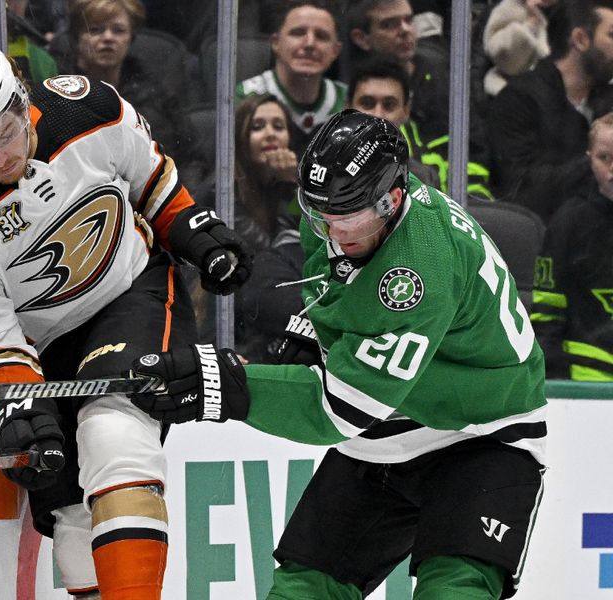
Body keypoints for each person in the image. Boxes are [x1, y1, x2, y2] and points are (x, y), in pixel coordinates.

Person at [130, 110, 547, 599]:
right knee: (303, 590)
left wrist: (226, 387)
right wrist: (316, 331)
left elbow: (341, 409)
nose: (332, 232)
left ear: (393, 199)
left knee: (455, 591)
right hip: (391, 426)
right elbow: (333, 288)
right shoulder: (333, 211)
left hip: (482, 434)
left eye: (346, 218)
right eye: (320, 215)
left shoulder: (417, 273)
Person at [0, 35, 250, 599]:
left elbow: (153, 182)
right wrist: (19, 402)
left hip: (130, 293)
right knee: (66, 502)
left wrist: (196, 234)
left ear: (22, 100)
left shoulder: (87, 108)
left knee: (113, 432)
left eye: (4, 133)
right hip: (42, 347)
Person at [66, 0, 210, 204]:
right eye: (95, 30)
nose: (108, 38)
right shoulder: (60, 96)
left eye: (118, 30)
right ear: (76, 38)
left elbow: (193, 157)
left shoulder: (156, 94)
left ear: (131, 38)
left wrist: (176, 204)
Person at [347, 0, 493, 199]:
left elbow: (474, 156)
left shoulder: (447, 78)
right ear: (361, 38)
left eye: (408, 20)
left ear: (406, 108)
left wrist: (467, 210)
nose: (405, 30)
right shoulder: (352, 85)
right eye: (389, 24)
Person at [488, 0, 613, 223]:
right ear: (580, 40)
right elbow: (519, 190)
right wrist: (595, 159)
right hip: (545, 237)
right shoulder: (518, 100)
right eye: (611, 35)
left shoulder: (607, 98)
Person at [531, 111, 613, 381]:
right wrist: (556, 382)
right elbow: (547, 313)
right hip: (586, 377)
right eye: (605, 157)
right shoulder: (568, 222)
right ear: (589, 158)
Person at [231, 93, 299, 361]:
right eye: (257, 127)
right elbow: (269, 258)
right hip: (237, 316)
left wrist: (291, 184)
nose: (270, 135)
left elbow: (303, 241)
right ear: (239, 138)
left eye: (278, 127)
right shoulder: (223, 192)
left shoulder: (283, 186)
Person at [235, 0, 346, 154]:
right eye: (298, 33)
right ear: (275, 43)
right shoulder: (245, 96)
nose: (310, 44)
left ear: (336, 50)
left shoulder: (348, 101)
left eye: (321, 36)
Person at [346, 56, 441, 189]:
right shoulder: (324, 170)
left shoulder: (423, 179)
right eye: (367, 103)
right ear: (347, 108)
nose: (378, 115)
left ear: (406, 111)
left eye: (389, 105)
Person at [482, 0, 557, 98]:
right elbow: (499, 53)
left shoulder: (569, 13)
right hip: (511, 88)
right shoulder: (512, 8)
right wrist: (530, 24)